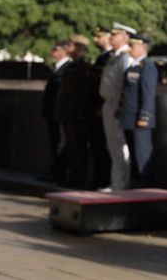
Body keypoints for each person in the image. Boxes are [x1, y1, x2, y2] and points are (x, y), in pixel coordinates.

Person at [97, 24, 136, 191]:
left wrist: (121, 106)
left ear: (125, 38)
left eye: (115, 35)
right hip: (109, 103)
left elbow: (126, 85)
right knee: (112, 145)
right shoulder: (115, 56)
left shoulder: (126, 57)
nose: (111, 37)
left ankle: (121, 184)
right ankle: (116, 182)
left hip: (118, 105)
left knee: (120, 144)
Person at [118, 35, 160, 187]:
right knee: (134, 155)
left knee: (142, 155)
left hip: (139, 120)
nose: (129, 49)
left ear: (142, 48)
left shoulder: (147, 67)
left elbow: (148, 94)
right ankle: (135, 185)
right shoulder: (133, 66)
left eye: (132, 46)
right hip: (129, 118)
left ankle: (144, 187)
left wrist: (145, 116)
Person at [56, 37, 96, 188]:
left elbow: (83, 93)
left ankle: (79, 177)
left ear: (79, 49)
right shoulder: (71, 67)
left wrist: (80, 112)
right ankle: (73, 176)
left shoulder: (83, 68)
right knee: (71, 147)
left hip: (77, 114)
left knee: (78, 147)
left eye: (71, 46)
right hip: (68, 113)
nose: (68, 48)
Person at [87, 28, 114, 183]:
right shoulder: (103, 57)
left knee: (104, 145)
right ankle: (100, 178)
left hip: (103, 107)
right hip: (95, 107)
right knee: (96, 145)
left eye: (99, 36)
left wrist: (102, 105)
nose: (95, 39)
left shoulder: (111, 58)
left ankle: (104, 179)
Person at [42, 41, 70, 182]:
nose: (53, 52)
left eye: (56, 49)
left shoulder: (67, 67)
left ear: (64, 51)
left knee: (60, 142)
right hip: (52, 111)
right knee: (54, 142)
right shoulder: (57, 67)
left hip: (59, 112)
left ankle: (60, 172)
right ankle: (55, 170)